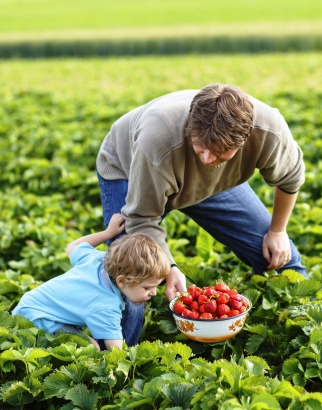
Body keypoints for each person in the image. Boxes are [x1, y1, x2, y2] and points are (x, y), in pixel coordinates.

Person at [96, 83, 306, 342]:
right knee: (130, 278)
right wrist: (169, 266)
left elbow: (290, 179)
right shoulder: (158, 140)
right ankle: (118, 362)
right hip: (130, 170)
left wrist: (277, 230)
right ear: (190, 127)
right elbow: (142, 218)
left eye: (219, 154)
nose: (207, 160)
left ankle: (299, 334)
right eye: (200, 148)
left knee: (282, 258)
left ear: (243, 141)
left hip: (214, 186)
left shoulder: (268, 130)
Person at [12, 213, 170, 350]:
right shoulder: (105, 306)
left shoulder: (97, 259)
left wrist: (108, 233)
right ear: (122, 281)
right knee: (91, 349)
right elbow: (117, 351)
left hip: (32, 303)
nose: (154, 292)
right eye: (148, 287)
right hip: (37, 318)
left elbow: (73, 246)